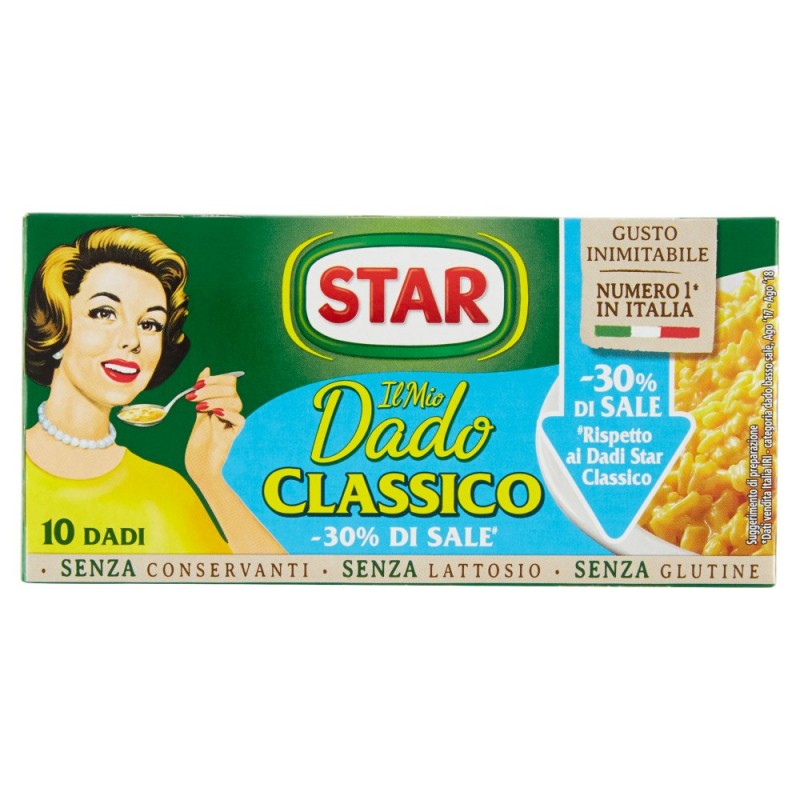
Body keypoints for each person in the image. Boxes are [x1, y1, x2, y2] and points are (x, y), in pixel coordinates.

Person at [25, 226, 284, 555]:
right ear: (57, 322)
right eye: (104, 313)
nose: (132, 341)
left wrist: (209, 474)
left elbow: (274, 577)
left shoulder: (165, 490)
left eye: (149, 324)